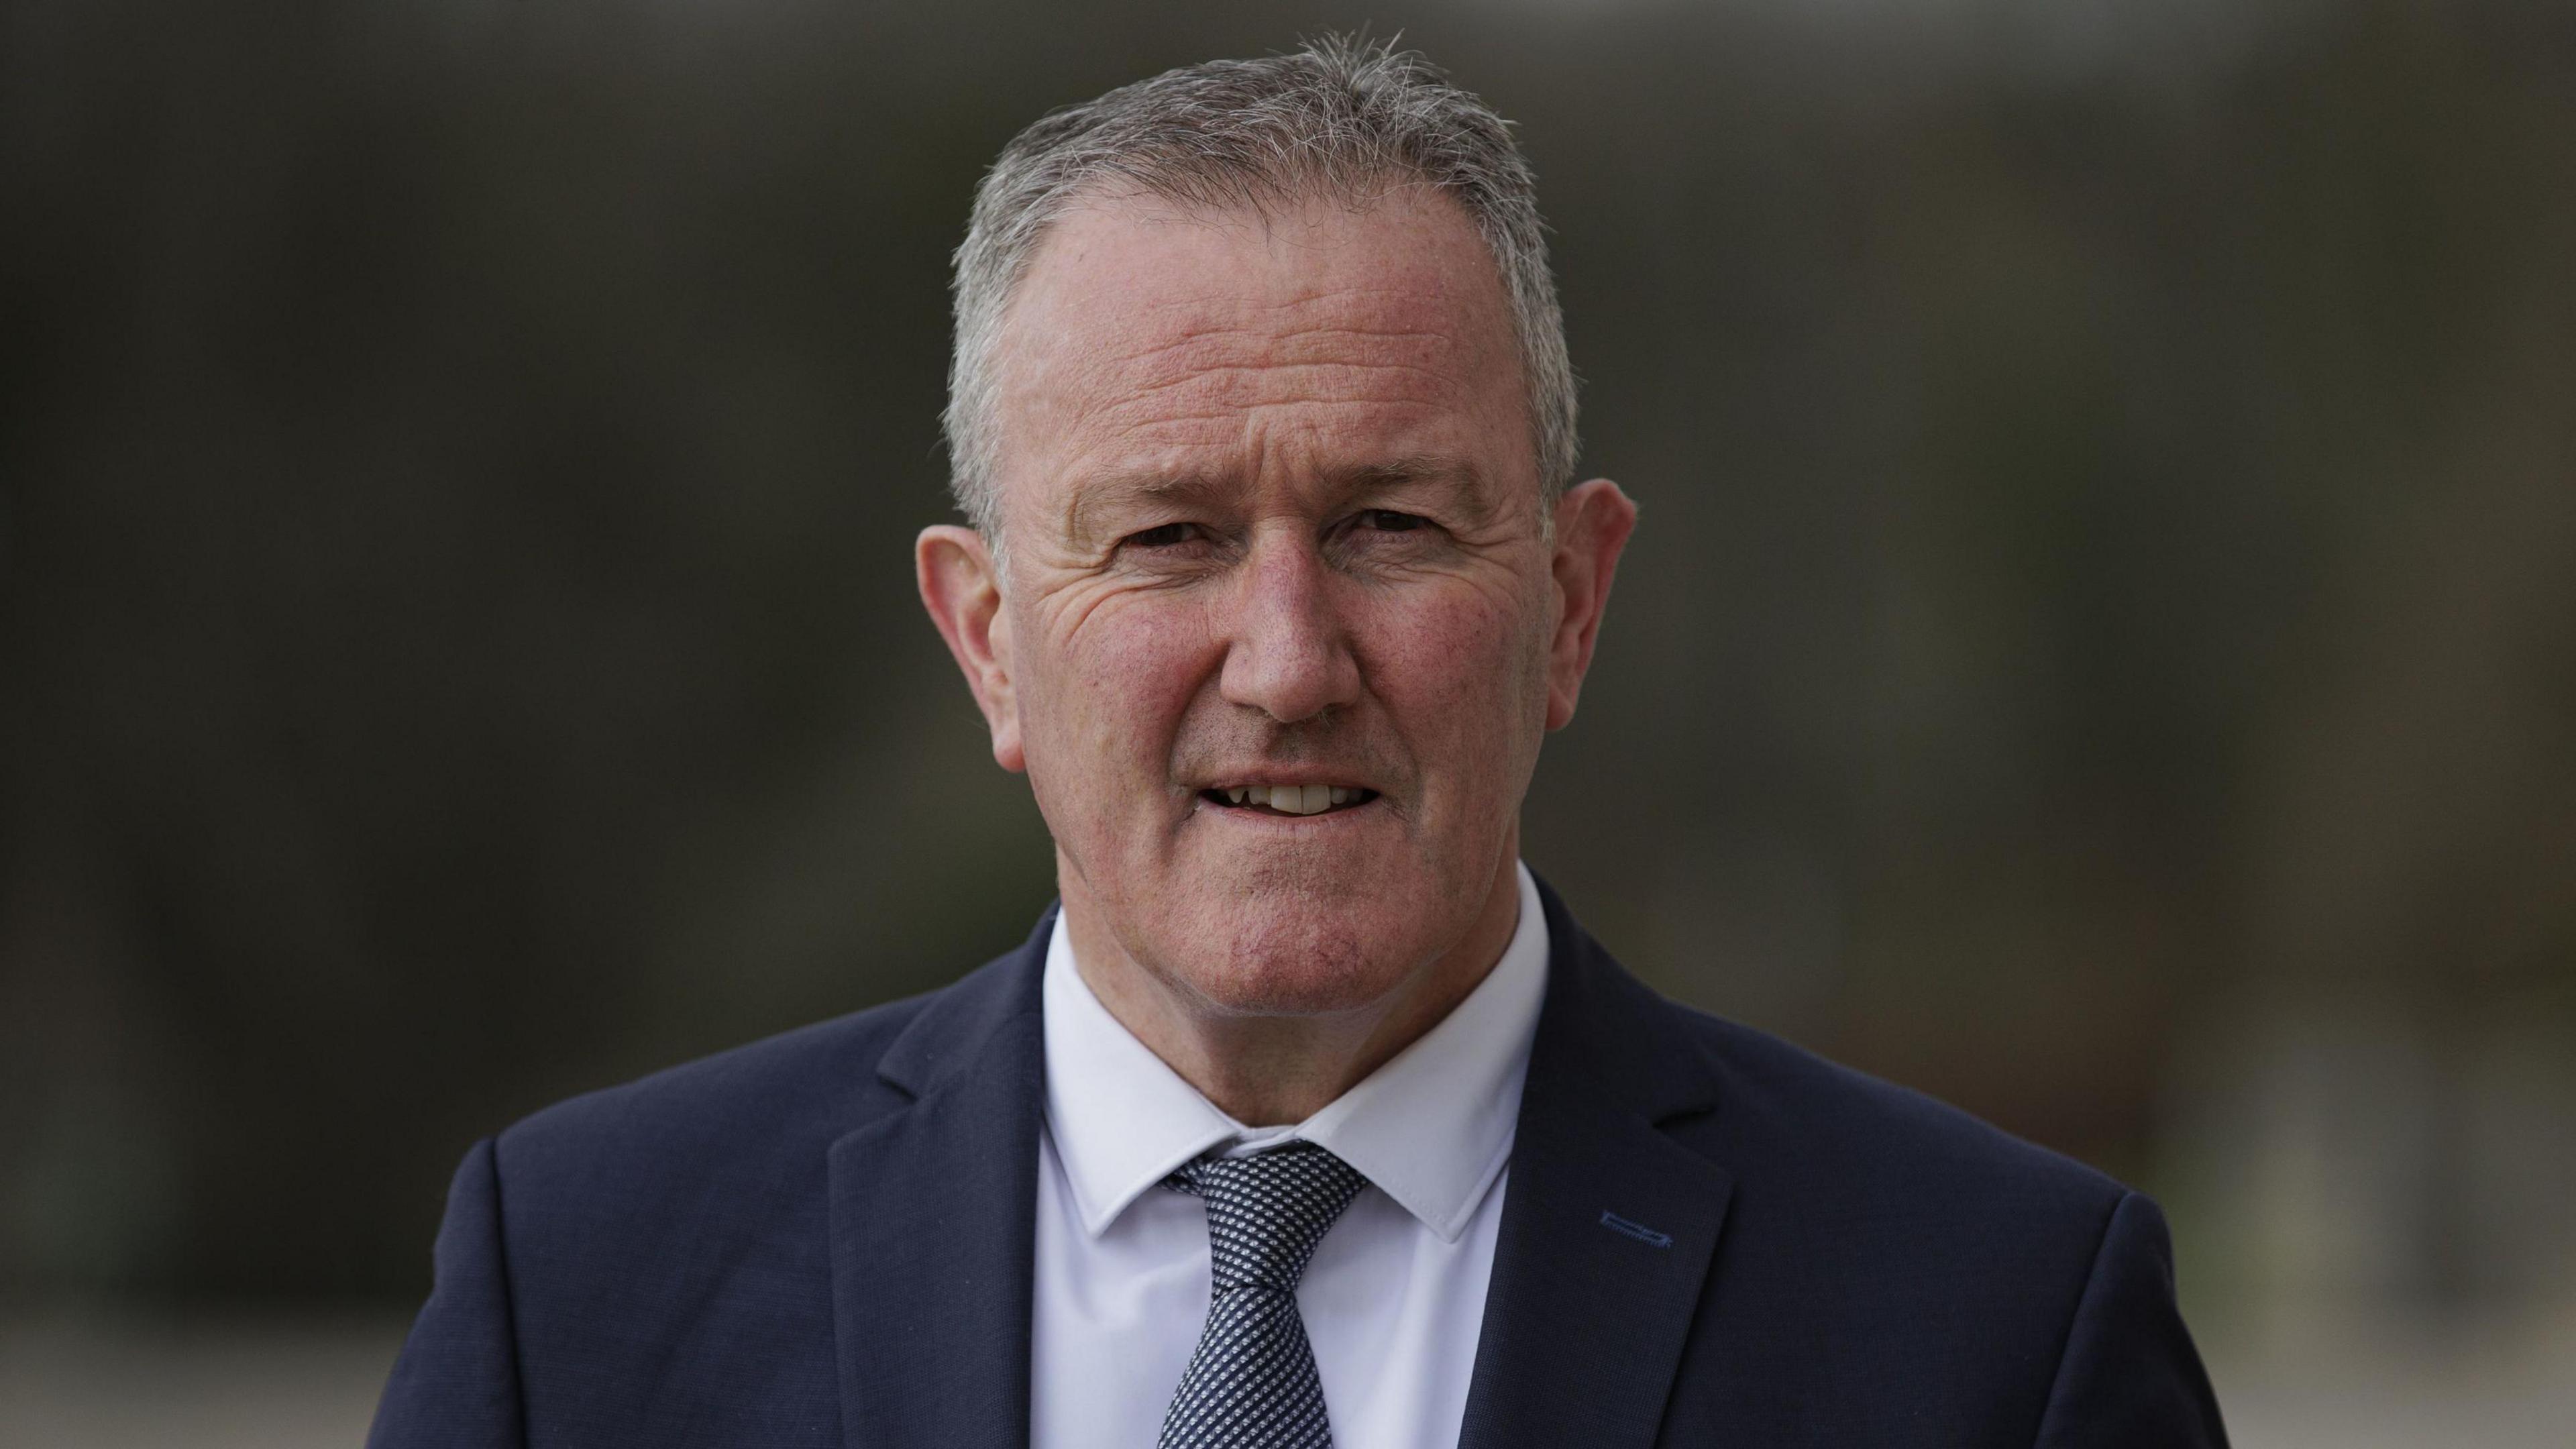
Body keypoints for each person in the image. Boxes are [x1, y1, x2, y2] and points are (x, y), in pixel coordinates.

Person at [369, 38, 2227, 1449]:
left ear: (1572, 603)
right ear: (989, 638)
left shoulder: (1994, 1338)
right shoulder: (587, 1303)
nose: (1287, 660)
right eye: (1170, 536)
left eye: (1392, 527)